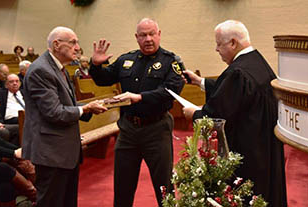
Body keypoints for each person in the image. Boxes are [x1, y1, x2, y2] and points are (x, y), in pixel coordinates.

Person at [182, 20, 287, 207]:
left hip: (248, 156)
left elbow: (216, 115)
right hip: (265, 150)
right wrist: (201, 82)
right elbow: (237, 94)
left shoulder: (237, 72)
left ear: (232, 43)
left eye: (218, 44)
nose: (216, 49)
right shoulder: (257, 62)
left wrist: (194, 114)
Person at [90, 18, 185, 207]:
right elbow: (103, 80)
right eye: (143, 35)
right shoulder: (126, 59)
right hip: (128, 130)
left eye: (152, 34)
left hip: (156, 129)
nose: (148, 39)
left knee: (163, 185)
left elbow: (172, 90)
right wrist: (95, 65)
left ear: (159, 34)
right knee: (123, 185)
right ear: (136, 37)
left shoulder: (171, 61)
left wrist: (140, 97)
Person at [22, 26, 108, 207]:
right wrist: (85, 109)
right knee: (52, 202)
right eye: (73, 42)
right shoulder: (41, 70)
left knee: (67, 201)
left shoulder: (58, 67)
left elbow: (66, 105)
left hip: (64, 152)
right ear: (56, 44)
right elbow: (54, 112)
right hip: (51, 152)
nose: (78, 47)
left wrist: (90, 107)